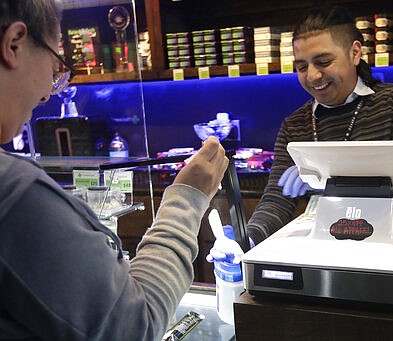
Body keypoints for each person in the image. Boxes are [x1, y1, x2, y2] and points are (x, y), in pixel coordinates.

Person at [0, 1, 228, 340]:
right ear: (15, 43)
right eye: (54, 65)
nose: (49, 92)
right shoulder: (15, 194)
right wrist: (187, 199)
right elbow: (136, 325)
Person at [242, 6, 393, 246]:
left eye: (323, 62)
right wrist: (248, 238)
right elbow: (276, 200)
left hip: (388, 243)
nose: (312, 76)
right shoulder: (295, 125)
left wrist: (326, 178)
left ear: (354, 53)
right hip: (322, 246)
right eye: (301, 67)